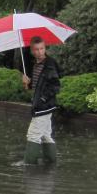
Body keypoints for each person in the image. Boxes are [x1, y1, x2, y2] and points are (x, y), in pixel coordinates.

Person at [21, 36, 61, 165]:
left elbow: (55, 86)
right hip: (42, 105)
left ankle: (28, 167)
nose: (39, 52)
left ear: (45, 48)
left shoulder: (49, 65)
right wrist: (27, 83)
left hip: (43, 106)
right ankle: (51, 163)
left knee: (33, 135)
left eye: (42, 49)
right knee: (45, 135)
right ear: (32, 50)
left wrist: (42, 99)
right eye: (36, 49)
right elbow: (37, 86)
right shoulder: (35, 65)